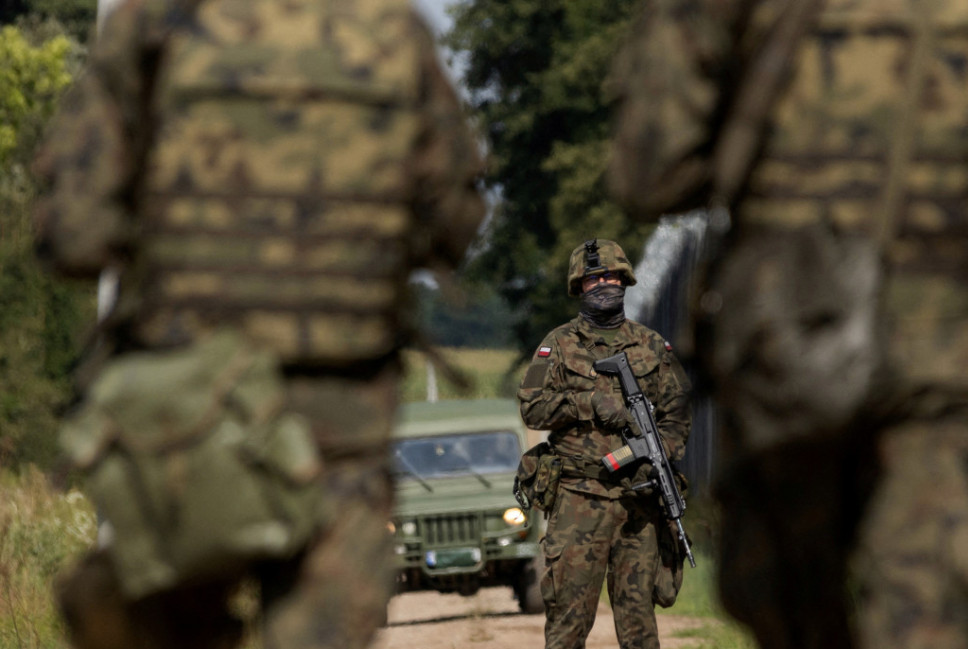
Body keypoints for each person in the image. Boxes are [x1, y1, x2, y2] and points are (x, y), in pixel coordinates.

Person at [608, 0, 968, 648]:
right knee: (931, 594)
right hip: (936, 338)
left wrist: (771, 164)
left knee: (787, 589)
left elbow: (649, 174)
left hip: (787, 329)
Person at [33, 0, 485, 647]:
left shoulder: (152, 24)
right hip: (339, 424)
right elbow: (455, 222)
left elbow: (74, 237)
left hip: (182, 416)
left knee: (156, 613)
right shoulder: (390, 29)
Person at [517, 239, 692, 649]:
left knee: (639, 626)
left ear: (626, 280)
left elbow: (679, 411)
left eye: (611, 276)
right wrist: (588, 403)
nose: (603, 284)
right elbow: (532, 408)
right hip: (579, 500)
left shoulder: (652, 346)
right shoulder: (558, 345)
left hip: (639, 504)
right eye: (593, 278)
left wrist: (660, 449)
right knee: (568, 623)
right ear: (579, 286)